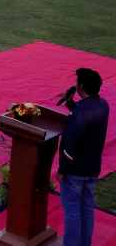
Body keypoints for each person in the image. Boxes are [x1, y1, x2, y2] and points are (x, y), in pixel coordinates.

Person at [58, 68, 110, 246]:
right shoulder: (103, 105)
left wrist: (62, 170)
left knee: (72, 211)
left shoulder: (79, 113)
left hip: (75, 170)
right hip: (93, 167)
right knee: (87, 208)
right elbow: (86, 120)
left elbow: (69, 144)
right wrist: (71, 104)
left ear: (80, 86)